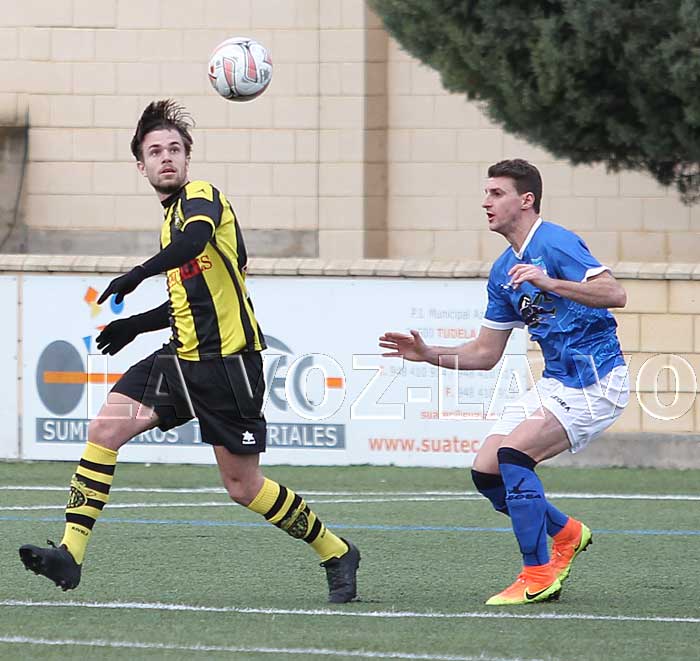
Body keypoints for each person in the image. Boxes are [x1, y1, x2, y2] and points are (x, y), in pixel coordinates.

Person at [19, 99, 360, 603]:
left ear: (187, 158)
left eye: (175, 149)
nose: (166, 157)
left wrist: (137, 274)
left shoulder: (201, 198)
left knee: (243, 487)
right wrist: (136, 324)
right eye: (155, 151)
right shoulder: (169, 222)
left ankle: (336, 551)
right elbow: (189, 300)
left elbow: (196, 241)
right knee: (105, 429)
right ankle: (71, 552)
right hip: (179, 359)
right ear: (141, 166)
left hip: (229, 366)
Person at [379, 158, 628, 605]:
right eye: (486, 193)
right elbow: (484, 353)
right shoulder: (503, 271)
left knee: (514, 456)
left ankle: (538, 575)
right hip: (558, 382)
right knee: (487, 472)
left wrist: (549, 281)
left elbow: (615, 293)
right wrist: (428, 353)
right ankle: (567, 534)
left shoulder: (555, 242)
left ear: (526, 200)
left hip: (597, 381)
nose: (485, 202)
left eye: (496, 193)